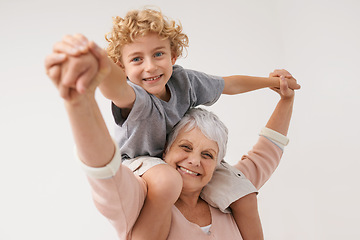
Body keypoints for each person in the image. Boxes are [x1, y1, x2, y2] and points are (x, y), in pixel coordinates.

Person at [45, 7, 300, 239]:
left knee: (244, 192)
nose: (150, 66)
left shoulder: (185, 83)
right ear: (121, 67)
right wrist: (97, 66)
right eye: (136, 59)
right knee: (167, 181)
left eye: (158, 54)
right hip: (140, 163)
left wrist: (276, 85)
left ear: (174, 55)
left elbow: (230, 85)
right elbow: (115, 90)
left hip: (167, 167)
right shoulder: (139, 100)